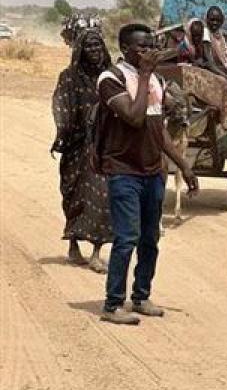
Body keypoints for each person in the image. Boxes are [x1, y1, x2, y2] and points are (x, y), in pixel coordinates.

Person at [95, 23, 199, 325]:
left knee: (150, 239)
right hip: (124, 171)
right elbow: (134, 117)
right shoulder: (111, 79)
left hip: (153, 172)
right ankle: (113, 303)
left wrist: (183, 164)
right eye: (143, 48)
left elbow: (158, 129)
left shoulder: (156, 79)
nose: (150, 53)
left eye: (153, 46)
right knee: (127, 238)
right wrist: (142, 76)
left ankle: (141, 297)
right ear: (126, 49)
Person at [51, 28, 114, 273]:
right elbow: (62, 109)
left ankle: (97, 252)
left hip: (103, 147)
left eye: (98, 46)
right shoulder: (68, 77)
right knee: (73, 194)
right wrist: (62, 135)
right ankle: (74, 246)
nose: (95, 51)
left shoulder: (109, 76)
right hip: (75, 146)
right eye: (89, 47)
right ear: (80, 50)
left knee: (101, 196)